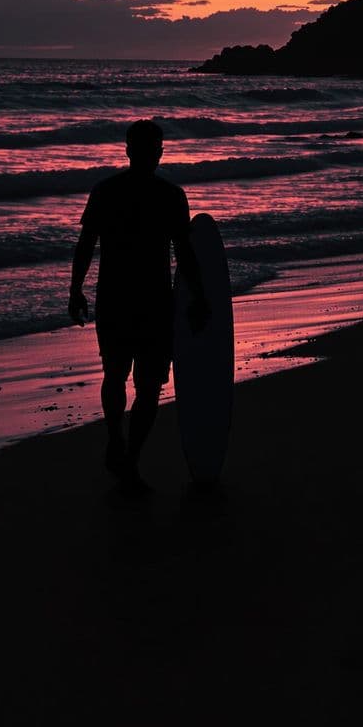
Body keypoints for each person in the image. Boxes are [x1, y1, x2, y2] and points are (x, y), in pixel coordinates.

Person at [69, 119, 209, 492]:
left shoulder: (107, 191)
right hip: (150, 304)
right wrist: (198, 297)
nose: (151, 153)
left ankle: (120, 445)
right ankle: (127, 453)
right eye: (150, 148)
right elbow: (186, 255)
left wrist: (75, 290)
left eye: (151, 148)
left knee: (119, 376)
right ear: (146, 151)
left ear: (131, 150)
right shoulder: (170, 196)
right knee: (146, 386)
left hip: (119, 300)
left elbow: (86, 245)